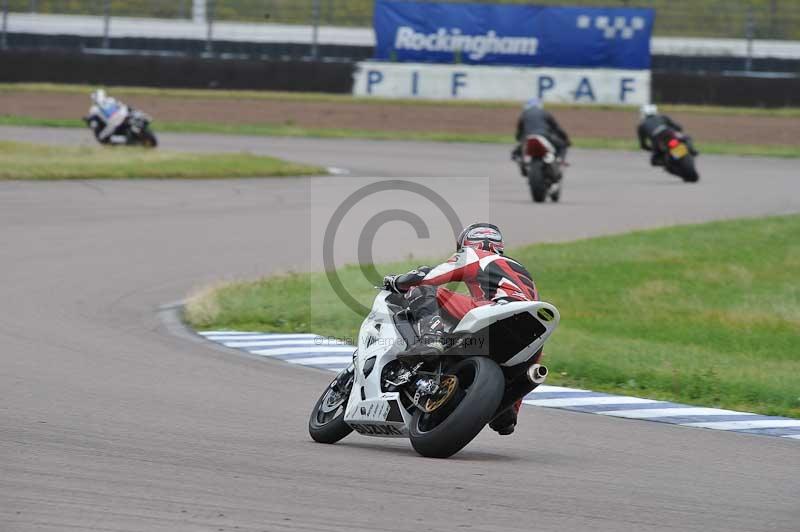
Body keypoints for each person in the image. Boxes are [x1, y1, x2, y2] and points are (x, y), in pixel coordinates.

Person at [382, 222, 539, 435]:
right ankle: (507, 407)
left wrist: (397, 281)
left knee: (422, 289)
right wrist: (512, 403)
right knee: (531, 350)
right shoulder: (523, 273)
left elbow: (428, 276)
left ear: (466, 243)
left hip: (496, 309)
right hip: (528, 333)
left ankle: (431, 338)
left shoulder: (475, 255)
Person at [512, 97, 571, 163]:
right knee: (562, 145)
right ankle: (560, 159)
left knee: (517, 150)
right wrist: (565, 139)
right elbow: (557, 128)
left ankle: (519, 159)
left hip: (527, 136)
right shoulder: (545, 113)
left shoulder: (524, 114)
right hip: (544, 135)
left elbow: (520, 130)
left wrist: (519, 139)